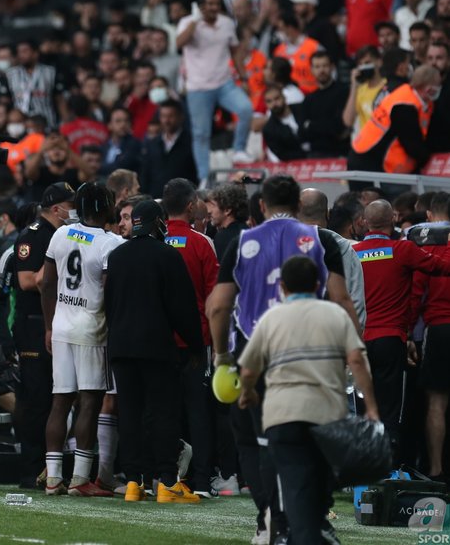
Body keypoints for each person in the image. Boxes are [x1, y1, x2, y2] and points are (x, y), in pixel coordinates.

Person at [206, 175, 357, 543]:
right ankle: (314, 518)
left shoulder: (244, 242)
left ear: (261, 206)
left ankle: (270, 519)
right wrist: (352, 354)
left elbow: (219, 306)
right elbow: (341, 299)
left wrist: (223, 355)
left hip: (256, 352)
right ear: (298, 204)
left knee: (256, 440)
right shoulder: (322, 241)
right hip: (313, 352)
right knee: (315, 436)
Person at [238, 256, 379, 545]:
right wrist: (373, 408)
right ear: (318, 284)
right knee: (319, 483)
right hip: (327, 417)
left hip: (283, 418)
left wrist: (248, 392)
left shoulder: (271, 318)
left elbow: (249, 369)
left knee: (295, 487)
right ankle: (316, 532)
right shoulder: (335, 315)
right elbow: (356, 360)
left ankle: (302, 534)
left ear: (283, 287)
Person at [104, 200, 204, 503]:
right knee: (163, 413)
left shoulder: (117, 255)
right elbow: (182, 308)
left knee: (130, 414)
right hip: (157, 346)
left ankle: (134, 482)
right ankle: (166, 481)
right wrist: (196, 345)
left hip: (121, 346)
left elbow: (109, 302)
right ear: (158, 222)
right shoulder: (167, 256)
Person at [40, 183, 123, 497]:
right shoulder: (110, 242)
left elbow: (46, 283)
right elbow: (109, 291)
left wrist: (49, 326)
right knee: (90, 401)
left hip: (60, 325)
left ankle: (52, 479)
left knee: (60, 400)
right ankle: (79, 480)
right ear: (104, 208)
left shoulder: (61, 233)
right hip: (91, 328)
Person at [352, 200, 450, 458]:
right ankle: (389, 465)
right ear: (393, 220)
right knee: (390, 406)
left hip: (358, 341)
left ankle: (363, 465)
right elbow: (442, 268)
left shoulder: (352, 252)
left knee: (363, 405)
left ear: (364, 221)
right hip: (389, 340)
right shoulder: (403, 250)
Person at [12, 182, 75, 487]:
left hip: (55, 319)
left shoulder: (62, 235)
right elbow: (26, 280)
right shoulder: (34, 235)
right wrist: (52, 268)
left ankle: (48, 465)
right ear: (56, 208)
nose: (72, 211)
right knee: (35, 397)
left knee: (55, 395)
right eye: (69, 205)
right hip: (34, 323)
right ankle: (31, 466)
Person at [162, 179, 220, 498]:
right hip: (197, 341)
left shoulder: (154, 240)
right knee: (199, 412)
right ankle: (201, 482)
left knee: (165, 410)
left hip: (161, 341)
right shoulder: (201, 243)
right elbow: (214, 298)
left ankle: (166, 477)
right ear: (190, 206)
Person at [176, 0, 254, 178]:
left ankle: (239, 149)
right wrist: (195, 20)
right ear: (200, 5)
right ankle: (204, 177)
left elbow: (235, 51)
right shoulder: (188, 21)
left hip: (224, 82)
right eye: (209, 4)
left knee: (245, 109)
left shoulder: (226, 22)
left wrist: (243, 77)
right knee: (201, 134)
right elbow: (179, 43)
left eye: (216, 4)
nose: (213, 7)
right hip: (198, 87)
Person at [408, 192, 450, 479]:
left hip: (440, 329)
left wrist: (409, 332)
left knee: (436, 402)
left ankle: (435, 469)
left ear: (430, 216)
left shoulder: (428, 249)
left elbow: (415, 294)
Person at [349, 65, 442, 175]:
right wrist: (427, 156)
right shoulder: (405, 106)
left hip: (367, 157)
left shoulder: (409, 96)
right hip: (371, 163)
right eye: (437, 85)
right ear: (428, 89)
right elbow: (412, 144)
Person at [299, 189, 366, 330]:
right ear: (328, 213)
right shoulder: (340, 245)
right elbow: (354, 297)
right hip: (332, 334)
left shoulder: (283, 242)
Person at [140, 100, 197, 195]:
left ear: (180, 117)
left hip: (182, 201)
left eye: (171, 116)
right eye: (163, 116)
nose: (166, 120)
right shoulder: (152, 144)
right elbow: (145, 174)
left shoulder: (192, 143)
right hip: (155, 199)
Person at [300, 52, 349, 157]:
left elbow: (339, 127)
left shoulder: (344, 91)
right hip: (315, 155)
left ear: (332, 67)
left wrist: (312, 126)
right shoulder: (308, 99)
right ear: (312, 70)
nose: (321, 70)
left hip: (340, 153)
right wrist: (327, 127)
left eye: (325, 66)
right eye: (317, 67)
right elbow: (303, 133)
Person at [273, 13, 323, 95]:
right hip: (287, 96)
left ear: (290, 28)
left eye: (281, 29)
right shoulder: (278, 51)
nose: (279, 33)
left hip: (312, 95)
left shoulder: (313, 47)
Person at [342, 46, 386, 135]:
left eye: (367, 62)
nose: (364, 67)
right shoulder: (360, 91)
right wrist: (354, 85)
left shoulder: (388, 86)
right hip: (367, 143)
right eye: (361, 64)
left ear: (379, 62)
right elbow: (348, 121)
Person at [262, 86, 308, 162]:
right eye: (269, 101)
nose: (274, 104)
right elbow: (282, 155)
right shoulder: (269, 130)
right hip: (298, 163)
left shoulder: (302, 109)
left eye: (277, 98)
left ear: (284, 98)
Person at [206, 182, 249, 260]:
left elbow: (222, 270)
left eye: (213, 206)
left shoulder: (221, 237)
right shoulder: (250, 231)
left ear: (227, 210)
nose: (209, 211)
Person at [99, 107, 142, 177]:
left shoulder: (134, 145)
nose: (123, 124)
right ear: (109, 125)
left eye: (126, 121)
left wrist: (96, 168)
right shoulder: (103, 146)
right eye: (118, 121)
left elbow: (120, 167)